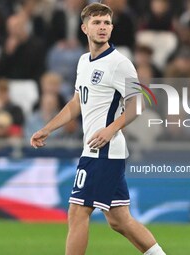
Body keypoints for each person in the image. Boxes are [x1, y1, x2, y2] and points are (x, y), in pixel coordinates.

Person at [31, 3, 166, 255]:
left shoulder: (119, 63)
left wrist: (110, 130)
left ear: (112, 28)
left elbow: (138, 104)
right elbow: (76, 103)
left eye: (106, 23)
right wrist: (48, 129)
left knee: (77, 212)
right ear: (84, 28)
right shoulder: (84, 61)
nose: (102, 27)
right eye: (96, 22)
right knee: (119, 221)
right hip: (96, 149)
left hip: (103, 150)